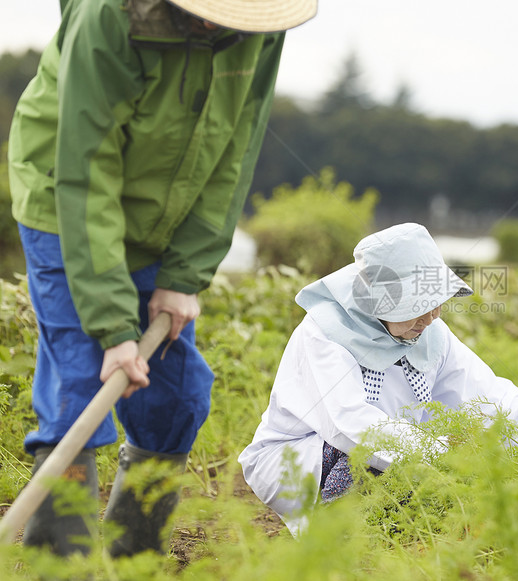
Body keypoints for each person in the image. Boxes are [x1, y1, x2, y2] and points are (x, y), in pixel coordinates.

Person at [7, 0, 317, 557]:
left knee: (177, 397)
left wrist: (183, 275)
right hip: (66, 203)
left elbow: (234, 151)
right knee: (81, 388)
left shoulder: (259, 27)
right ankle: (60, 563)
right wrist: (112, 327)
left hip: (165, 219)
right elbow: (86, 165)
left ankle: (137, 559)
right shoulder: (110, 16)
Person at [239, 223, 518, 536]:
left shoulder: (430, 332)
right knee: (362, 462)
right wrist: (443, 455)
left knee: (488, 441)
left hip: (400, 448)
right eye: (416, 306)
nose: (431, 316)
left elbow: (484, 391)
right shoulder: (327, 332)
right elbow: (350, 425)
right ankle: (343, 540)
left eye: (435, 302)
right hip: (300, 455)